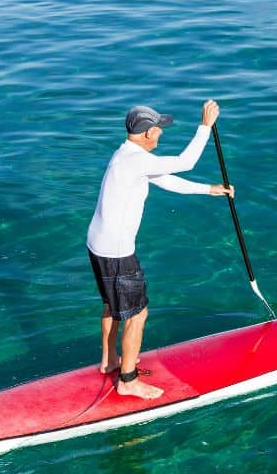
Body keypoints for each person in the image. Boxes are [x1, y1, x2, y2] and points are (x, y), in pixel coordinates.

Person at [86, 99, 234, 399]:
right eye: (158, 129)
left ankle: (109, 360)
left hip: (97, 244)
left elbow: (167, 180)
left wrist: (208, 189)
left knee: (112, 305)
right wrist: (205, 126)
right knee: (137, 314)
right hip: (116, 252)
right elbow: (185, 161)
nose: (161, 134)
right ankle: (127, 380)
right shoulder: (136, 160)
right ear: (147, 133)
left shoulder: (127, 156)